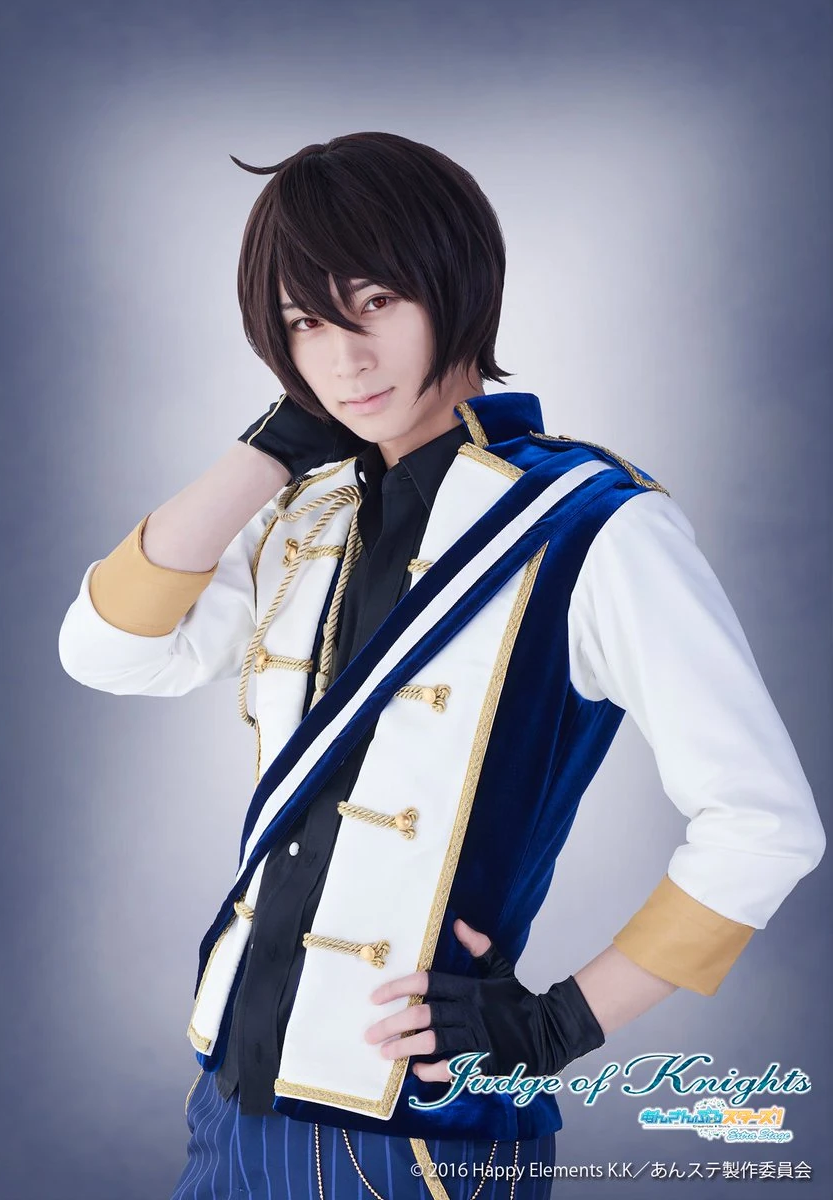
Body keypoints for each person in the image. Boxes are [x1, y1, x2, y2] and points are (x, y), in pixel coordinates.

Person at [57, 132, 825, 1200]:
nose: (344, 360)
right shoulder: (305, 514)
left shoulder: (593, 524)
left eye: (373, 303)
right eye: (303, 323)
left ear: (454, 283)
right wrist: (264, 451)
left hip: (417, 1141)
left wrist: (557, 1024)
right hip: (227, 1103)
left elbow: (765, 823)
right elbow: (105, 653)